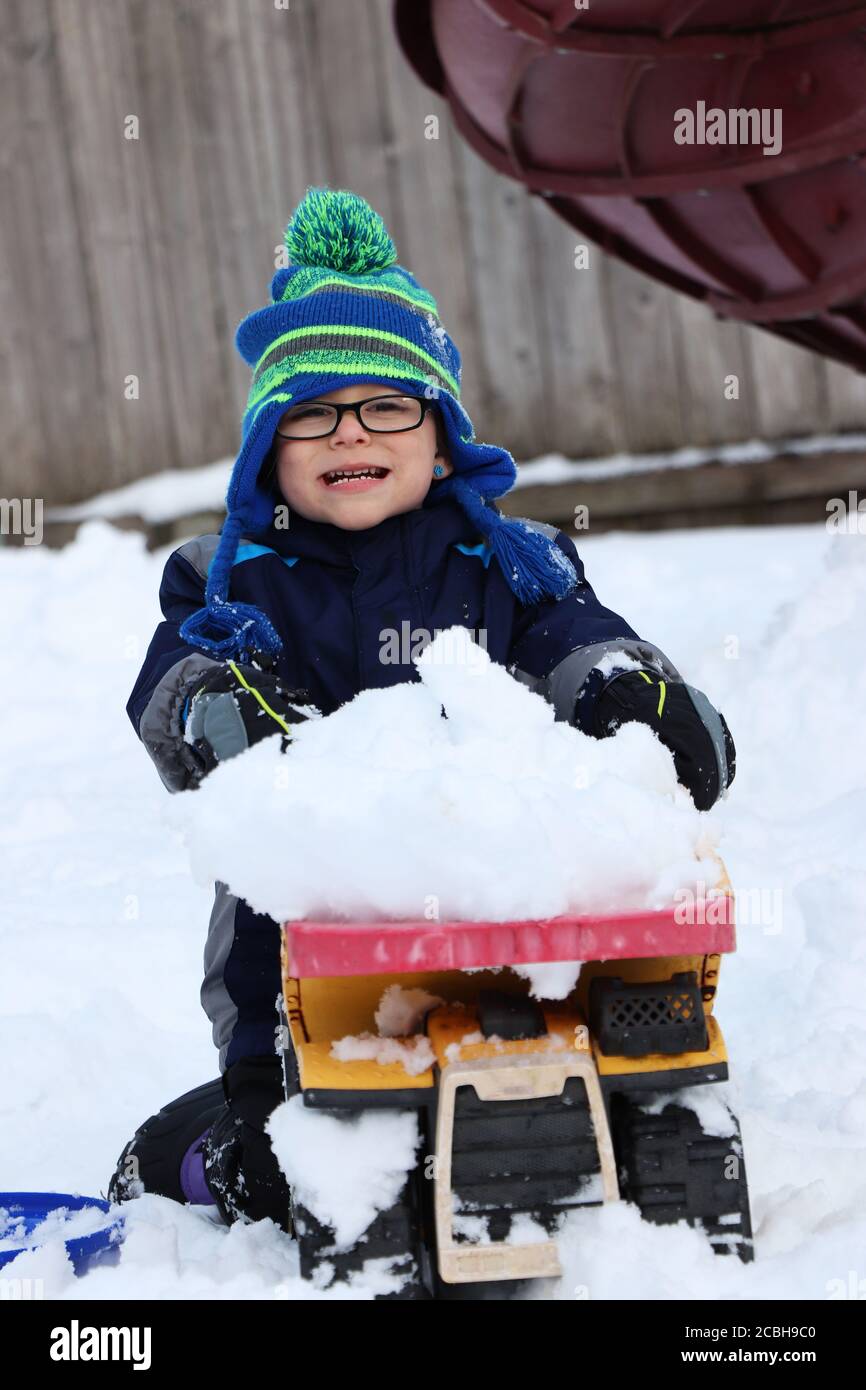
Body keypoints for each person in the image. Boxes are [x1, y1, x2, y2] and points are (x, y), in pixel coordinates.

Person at [108, 187, 735, 1231]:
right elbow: (174, 683)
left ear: (438, 436)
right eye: (310, 410)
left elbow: (578, 642)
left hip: (512, 953)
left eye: (384, 404)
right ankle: (197, 1153)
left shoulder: (509, 565)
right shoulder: (231, 582)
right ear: (270, 445)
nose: (348, 431)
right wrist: (221, 706)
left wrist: (635, 695)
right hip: (295, 971)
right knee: (286, 1170)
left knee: (606, 1103)